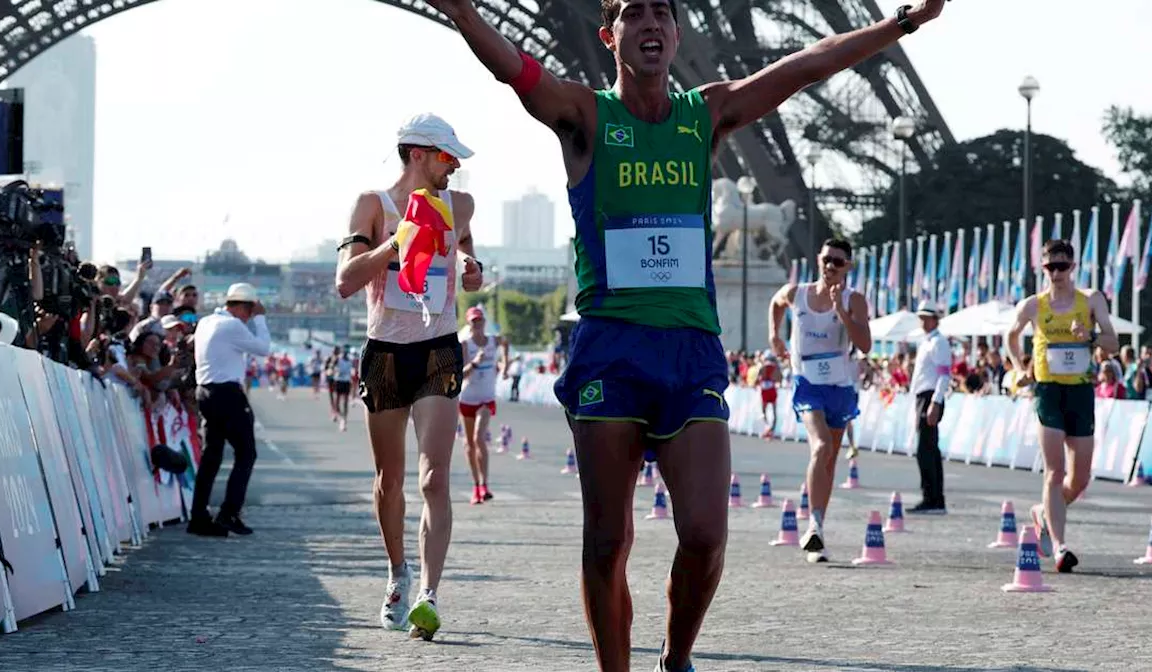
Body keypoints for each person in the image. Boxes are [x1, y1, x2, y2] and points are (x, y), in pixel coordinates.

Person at [429, 0, 950, 667]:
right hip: (611, 350)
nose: (650, 23)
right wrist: (462, 10)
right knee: (607, 541)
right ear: (608, 34)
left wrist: (900, 23)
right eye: (634, 13)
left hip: (691, 352)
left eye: (663, 14)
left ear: (678, 34)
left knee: (705, 533)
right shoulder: (587, 116)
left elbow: (805, 67)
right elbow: (516, 68)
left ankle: (676, 658)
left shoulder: (704, 114)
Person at [334, 112, 482, 640]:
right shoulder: (372, 204)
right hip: (386, 352)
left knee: (434, 478)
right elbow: (346, 281)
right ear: (417, 153)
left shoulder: (459, 205)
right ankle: (397, 572)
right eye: (447, 156)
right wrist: (396, 243)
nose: (455, 165)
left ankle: (429, 593)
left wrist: (472, 269)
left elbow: (468, 258)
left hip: (439, 347)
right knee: (389, 481)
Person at [1006, 239, 1118, 573]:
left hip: (1081, 391)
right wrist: (1018, 367)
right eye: (1050, 267)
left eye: (1062, 266)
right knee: (1054, 472)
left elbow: (1113, 342)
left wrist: (1090, 337)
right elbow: (1011, 336)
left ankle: (1044, 512)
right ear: (1043, 269)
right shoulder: (1033, 305)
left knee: (1079, 479)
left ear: (1073, 267)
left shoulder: (1091, 300)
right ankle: (1060, 546)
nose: (1056, 273)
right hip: (1048, 391)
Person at [768, 239, 871, 563]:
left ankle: (818, 530)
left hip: (839, 384)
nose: (830, 266)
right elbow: (775, 302)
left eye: (838, 262)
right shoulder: (796, 292)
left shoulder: (854, 299)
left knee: (829, 461)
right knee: (821, 446)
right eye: (827, 259)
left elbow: (865, 344)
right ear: (818, 258)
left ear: (847, 267)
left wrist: (841, 310)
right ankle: (812, 524)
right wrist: (774, 334)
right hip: (807, 382)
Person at [190, 282, 271, 537]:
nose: (250, 316)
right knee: (247, 453)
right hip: (227, 393)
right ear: (244, 307)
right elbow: (263, 348)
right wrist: (261, 319)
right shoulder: (233, 325)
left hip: (204, 391)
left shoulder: (206, 322)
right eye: (250, 310)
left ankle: (199, 516)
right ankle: (229, 512)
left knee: (211, 456)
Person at [458, 306, 508, 504]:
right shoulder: (465, 344)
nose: (477, 324)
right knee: (469, 443)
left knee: (479, 438)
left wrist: (505, 366)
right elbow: (462, 374)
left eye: (480, 321)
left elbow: (506, 342)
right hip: (467, 398)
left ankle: (485, 484)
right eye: (473, 321)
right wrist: (475, 363)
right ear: (469, 324)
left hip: (486, 399)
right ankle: (476, 484)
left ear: (484, 322)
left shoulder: (492, 341)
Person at [907, 300, 951, 514]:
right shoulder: (926, 342)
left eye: (927, 318)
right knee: (929, 448)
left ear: (935, 320)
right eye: (921, 317)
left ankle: (932, 498)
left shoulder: (938, 343)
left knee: (925, 449)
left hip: (930, 396)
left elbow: (944, 375)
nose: (923, 321)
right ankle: (934, 497)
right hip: (923, 395)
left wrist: (936, 401)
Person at [754, 352, 782, 439]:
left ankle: (767, 427)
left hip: (764, 388)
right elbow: (779, 378)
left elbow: (758, 378)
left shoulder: (763, 366)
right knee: (774, 410)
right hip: (772, 387)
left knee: (763, 410)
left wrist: (756, 384)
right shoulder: (776, 367)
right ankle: (771, 429)